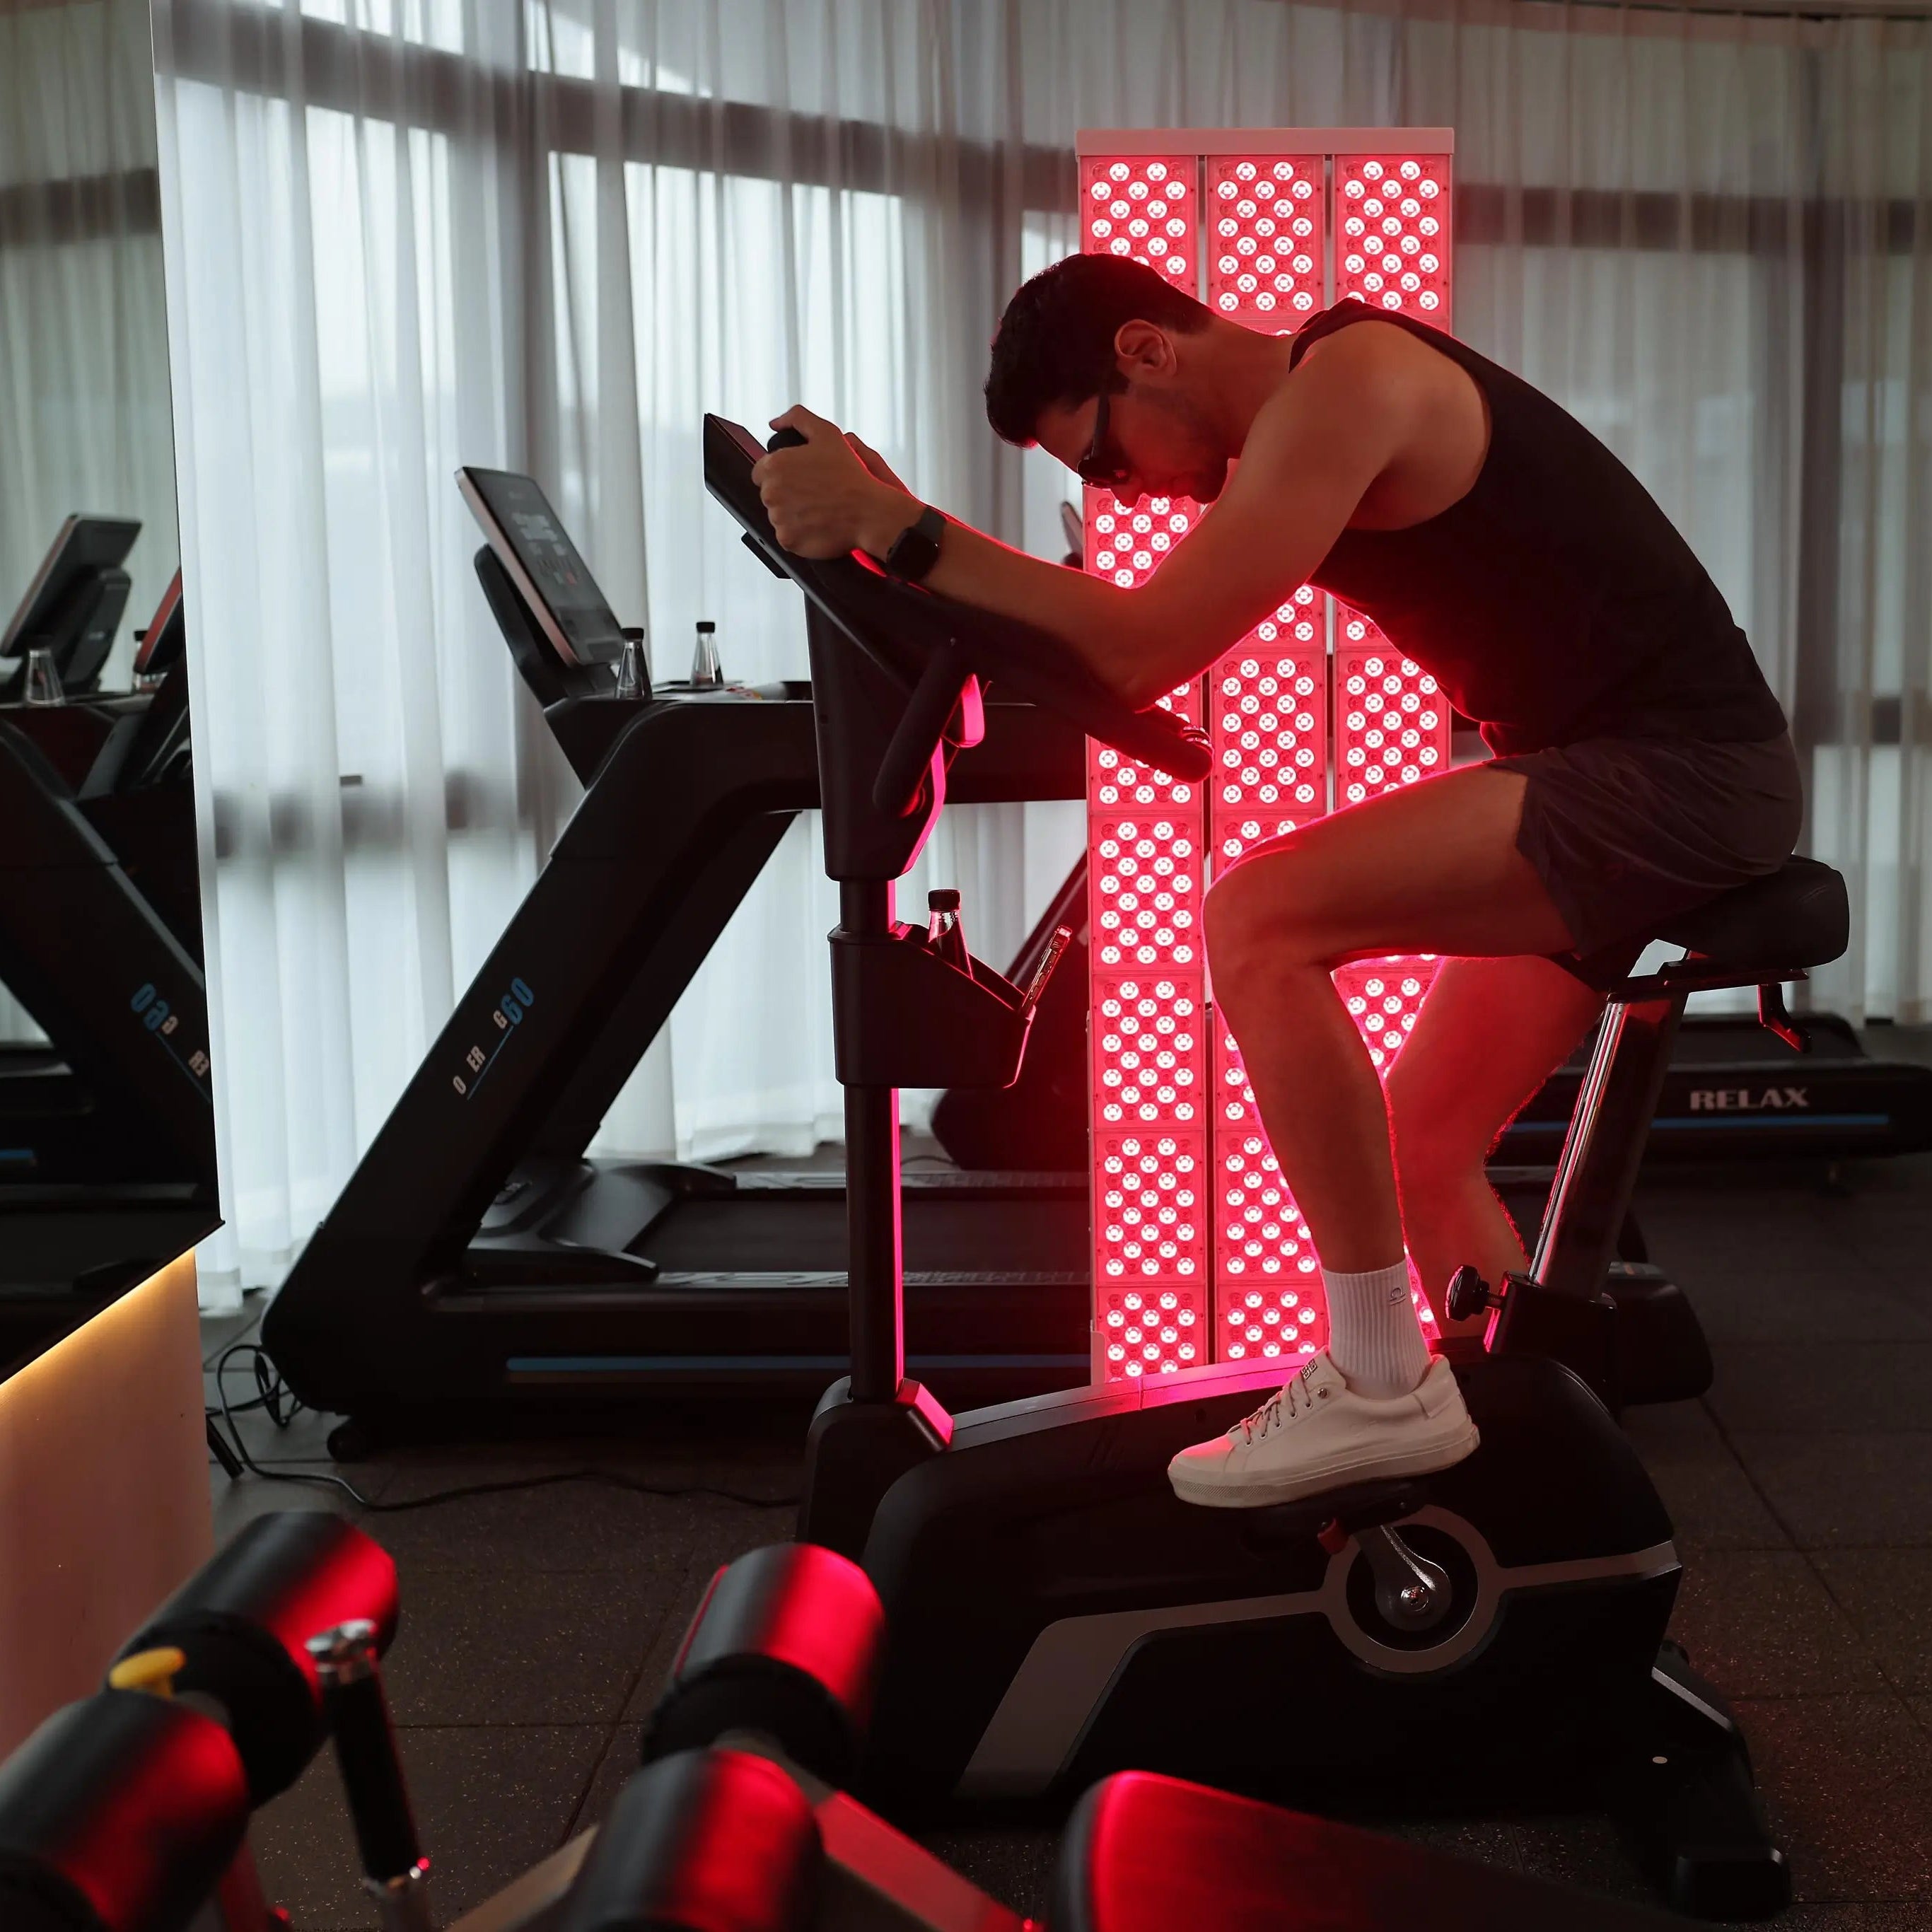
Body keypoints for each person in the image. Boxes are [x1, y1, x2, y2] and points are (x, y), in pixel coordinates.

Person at [750, 252, 1800, 1509]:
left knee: (1255, 915)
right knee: (1423, 1143)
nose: (1121, 489)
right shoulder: (1295, 433)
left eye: (1100, 458)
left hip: (1681, 778)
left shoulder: (1348, 382)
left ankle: (1378, 1380)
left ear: (1146, 351)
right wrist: (903, 526)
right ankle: (1531, 1487)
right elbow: (1126, 621)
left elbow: (1140, 642)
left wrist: (899, 532)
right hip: (1632, 776)